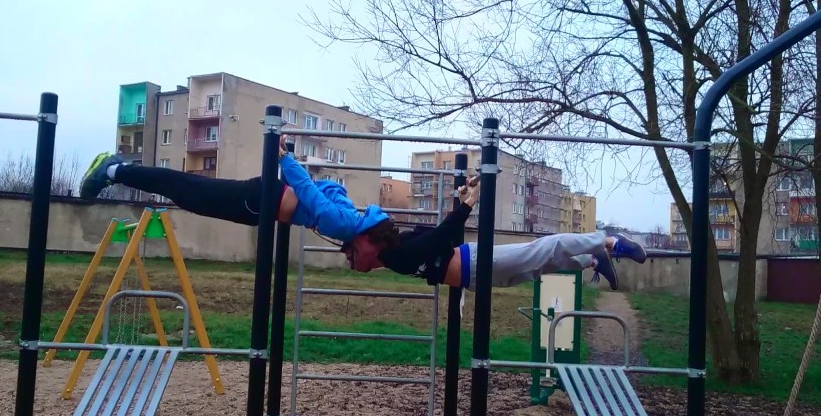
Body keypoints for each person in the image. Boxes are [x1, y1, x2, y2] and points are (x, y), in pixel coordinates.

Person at [77, 138, 401, 246]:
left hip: (263, 200)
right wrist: (285, 158)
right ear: (370, 239)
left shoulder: (351, 213)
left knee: (185, 190)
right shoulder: (346, 226)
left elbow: (323, 189)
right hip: (259, 203)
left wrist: (289, 163)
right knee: (183, 188)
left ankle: (115, 171)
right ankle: (113, 169)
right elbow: (309, 192)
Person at [341, 177, 647, 291]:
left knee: (545, 248)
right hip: (475, 278)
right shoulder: (396, 253)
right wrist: (461, 205)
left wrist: (465, 206)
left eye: (352, 253)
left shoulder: (397, 255)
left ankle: (609, 240)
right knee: (539, 270)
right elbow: (442, 236)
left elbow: (439, 239)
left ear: (371, 240)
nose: (351, 263)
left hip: (477, 261)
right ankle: (594, 262)